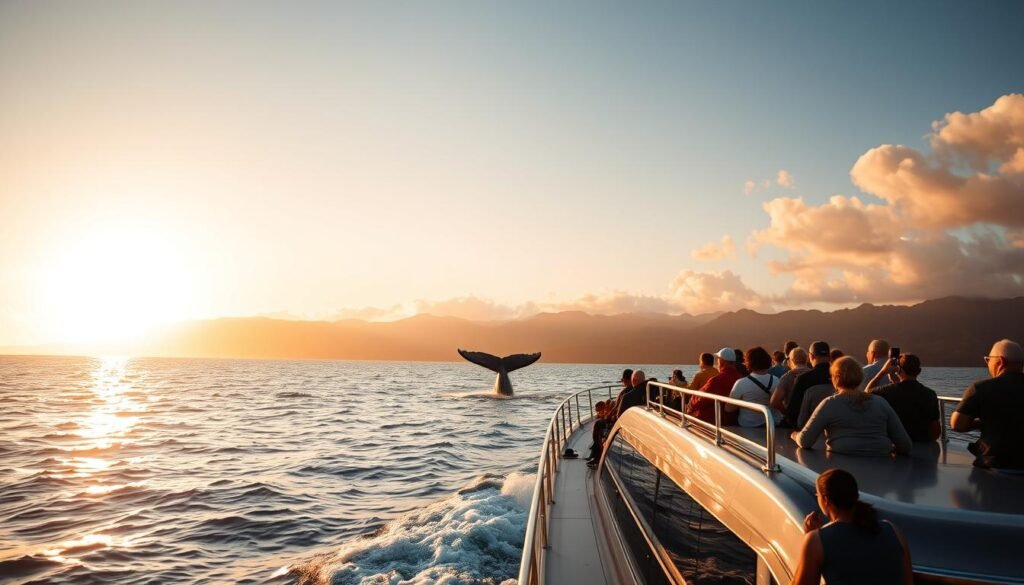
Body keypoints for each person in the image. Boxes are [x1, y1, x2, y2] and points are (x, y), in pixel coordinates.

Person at [790, 468, 913, 585]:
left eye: (818, 495)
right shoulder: (894, 531)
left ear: (825, 499)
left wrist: (810, 539)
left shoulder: (816, 541)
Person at [792, 357, 912, 456]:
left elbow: (805, 441)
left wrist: (795, 435)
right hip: (882, 463)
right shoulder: (881, 403)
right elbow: (905, 445)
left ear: (835, 379)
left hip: (841, 462)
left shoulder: (830, 404)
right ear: (860, 377)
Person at [951, 339, 1024, 469]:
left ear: (1000, 361)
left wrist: (982, 422)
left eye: (988, 360)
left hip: (994, 464)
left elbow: (958, 424)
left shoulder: (981, 388)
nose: (988, 364)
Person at [867, 354, 940, 442]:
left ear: (898, 370)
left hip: (896, 442)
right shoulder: (930, 394)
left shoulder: (888, 391)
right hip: (922, 442)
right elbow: (935, 430)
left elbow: (867, 393)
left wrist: (882, 372)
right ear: (919, 371)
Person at [726, 346, 782, 427]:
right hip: (773, 424)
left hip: (748, 425)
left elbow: (729, 408)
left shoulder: (741, 383)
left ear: (748, 363)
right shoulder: (777, 380)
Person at [685, 348, 742, 424]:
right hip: (730, 419)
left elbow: (701, 399)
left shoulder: (717, 380)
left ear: (721, 362)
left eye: (718, 359)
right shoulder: (739, 378)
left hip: (711, 419)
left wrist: (690, 405)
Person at [785, 341, 832, 428]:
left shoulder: (804, 379)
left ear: (811, 356)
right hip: (836, 428)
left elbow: (792, 413)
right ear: (829, 357)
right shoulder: (840, 378)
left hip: (810, 430)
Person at [771, 347, 811, 417]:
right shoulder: (813, 374)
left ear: (791, 360)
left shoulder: (787, 377)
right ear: (806, 359)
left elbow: (774, 402)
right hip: (811, 416)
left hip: (794, 417)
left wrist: (787, 413)